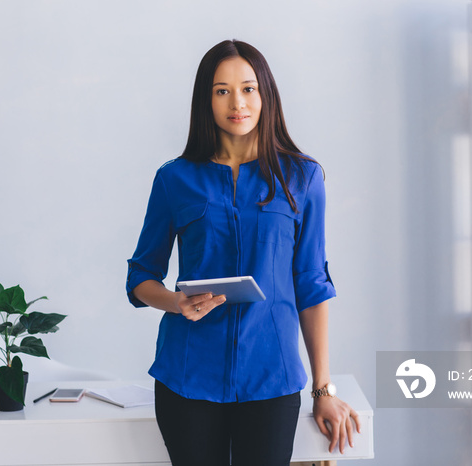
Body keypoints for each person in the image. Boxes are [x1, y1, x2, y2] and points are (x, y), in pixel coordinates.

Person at [126, 39, 360, 466]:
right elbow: (140, 276)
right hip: (187, 376)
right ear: (206, 99)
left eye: (248, 88)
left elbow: (311, 283)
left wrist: (323, 390)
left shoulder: (303, 178)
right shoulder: (174, 179)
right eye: (222, 90)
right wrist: (176, 303)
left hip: (272, 379)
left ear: (265, 93)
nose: (237, 102)